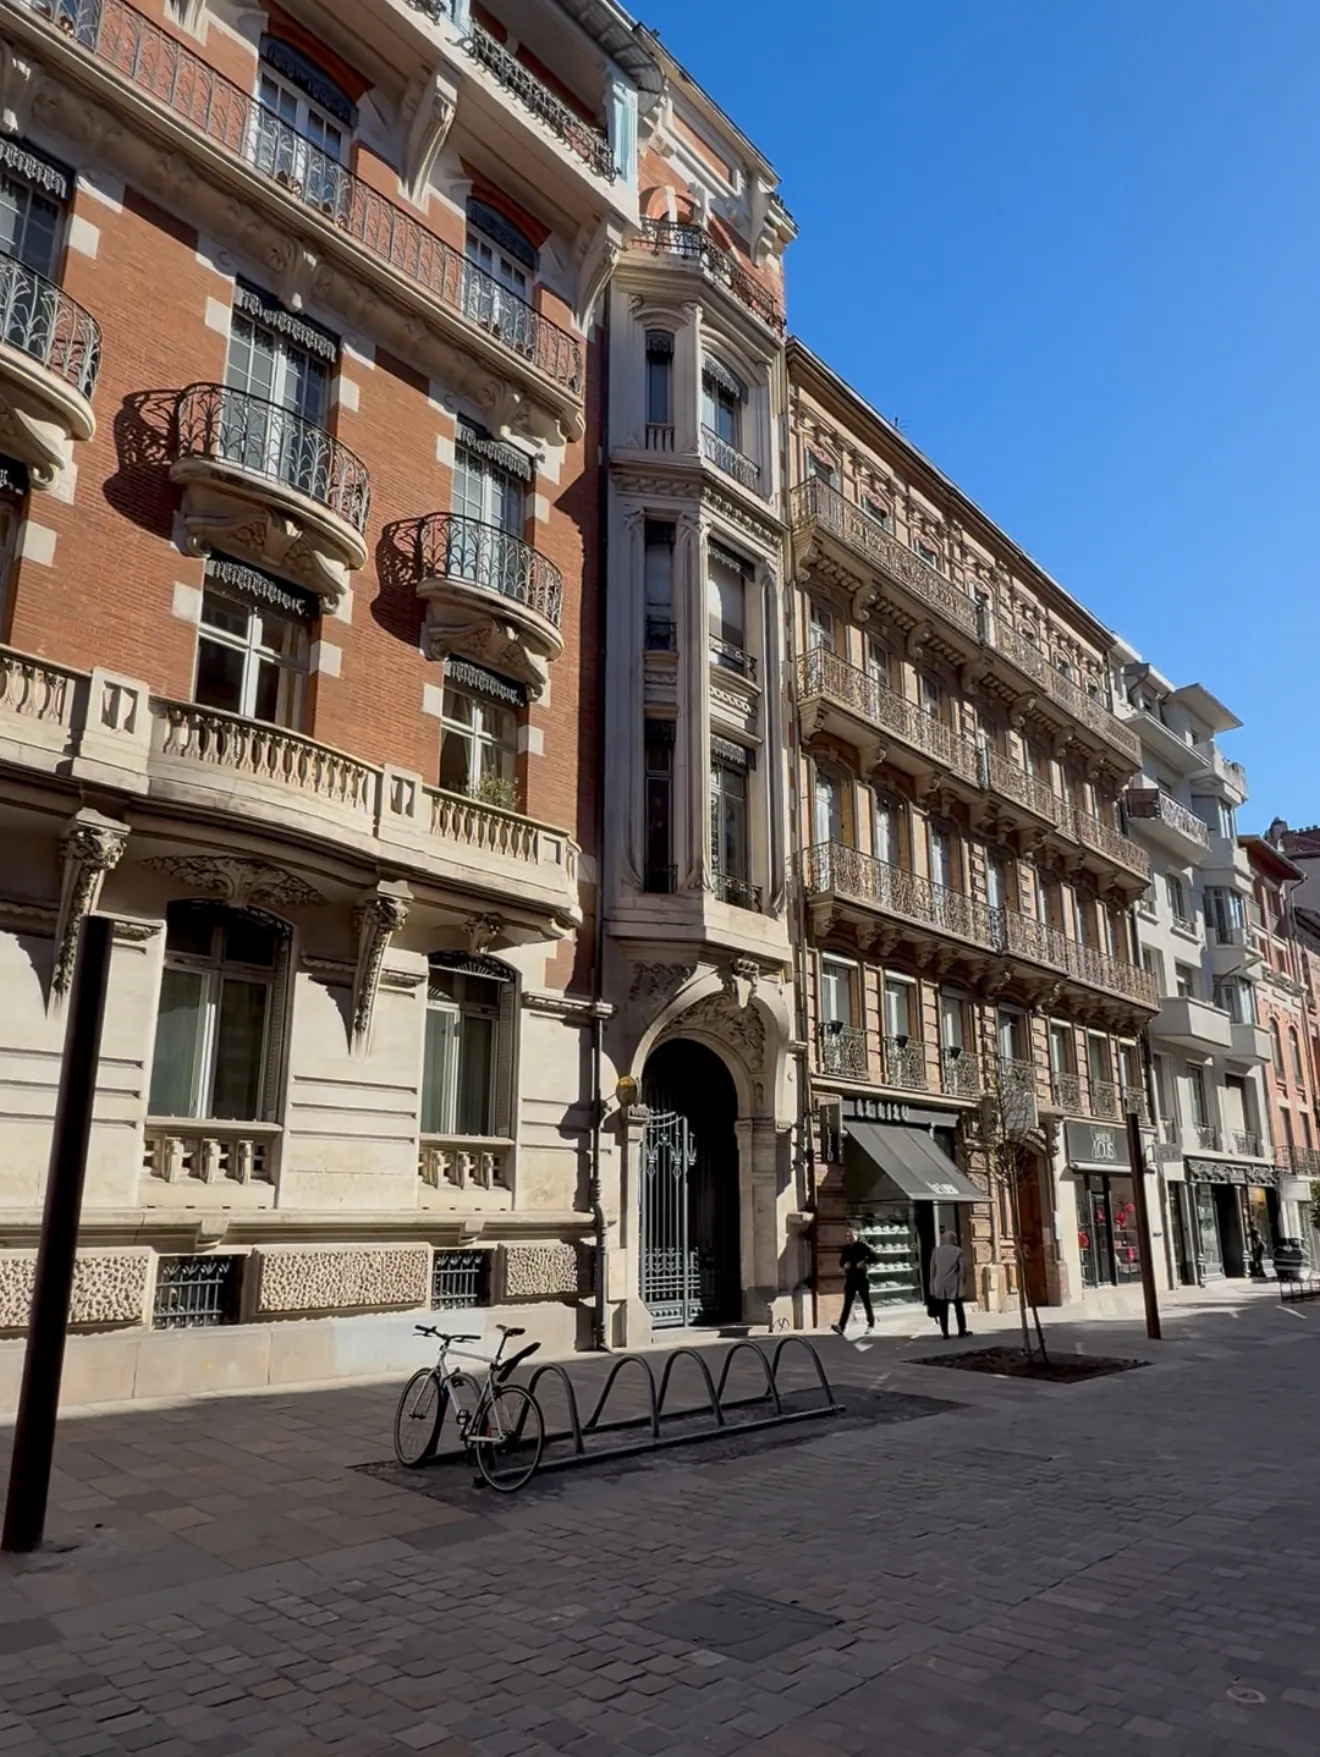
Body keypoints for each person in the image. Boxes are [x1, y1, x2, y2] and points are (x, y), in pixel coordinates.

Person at [833, 1227, 878, 1333]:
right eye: (847, 1236)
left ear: (857, 1236)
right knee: (847, 1303)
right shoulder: (847, 1248)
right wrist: (844, 1265)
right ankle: (841, 1326)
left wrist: (864, 1262)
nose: (849, 1238)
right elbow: (841, 1261)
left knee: (866, 1302)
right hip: (850, 1279)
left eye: (851, 1236)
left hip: (861, 1278)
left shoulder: (863, 1246)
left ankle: (871, 1324)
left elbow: (875, 1257)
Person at [929, 1227, 970, 1339]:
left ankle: (945, 1333)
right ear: (953, 1239)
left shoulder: (936, 1251)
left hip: (940, 1284)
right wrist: (963, 1281)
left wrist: (932, 1286)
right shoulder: (958, 1251)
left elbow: (932, 1270)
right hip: (954, 1284)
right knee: (958, 1308)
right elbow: (962, 1269)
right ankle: (962, 1330)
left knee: (943, 1310)